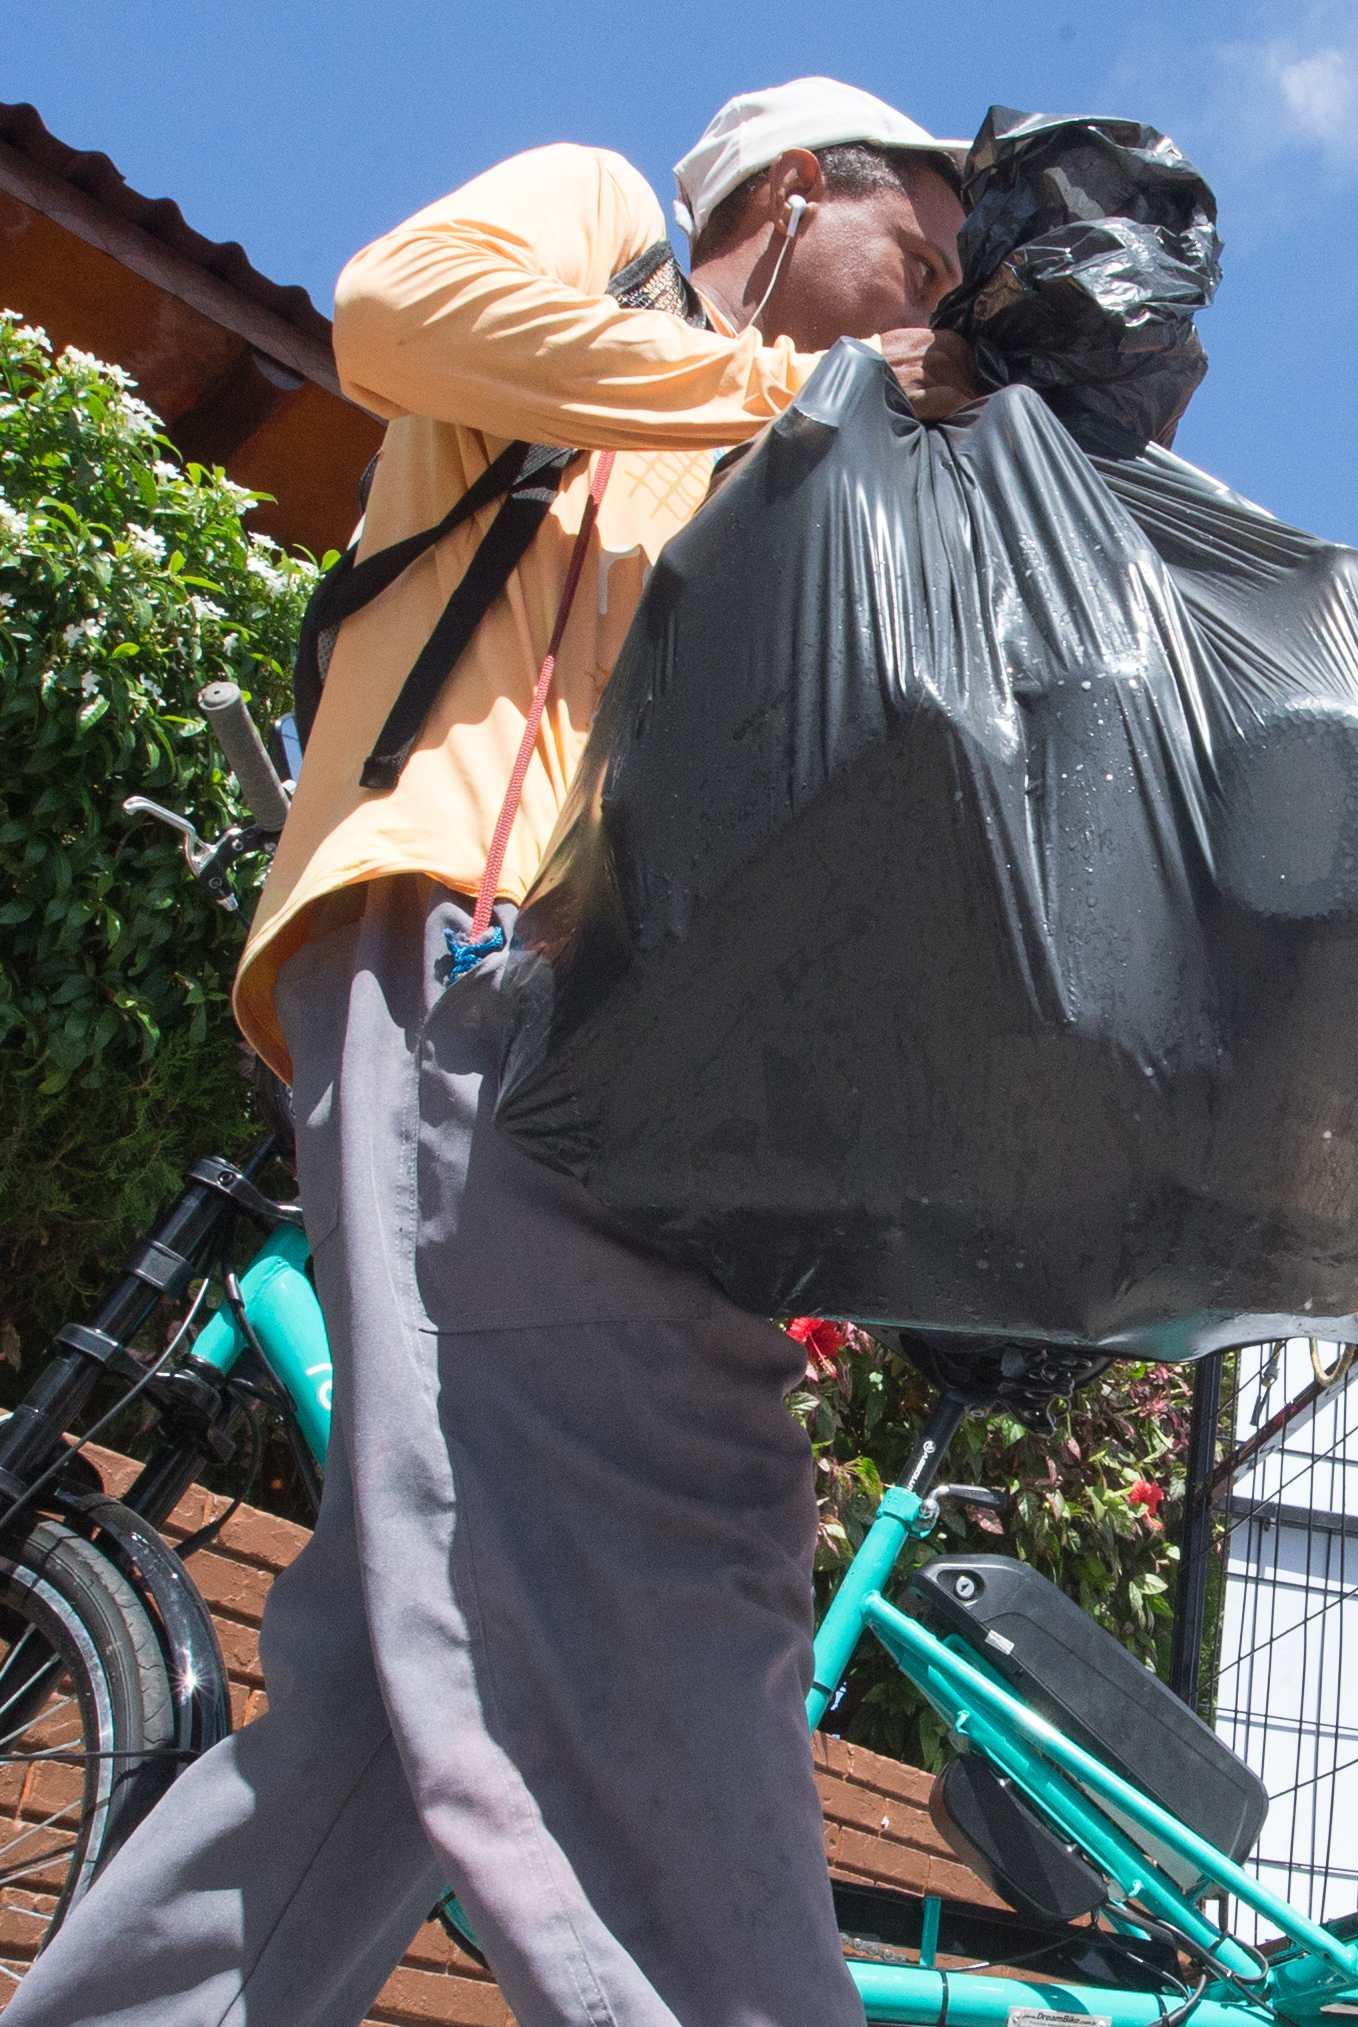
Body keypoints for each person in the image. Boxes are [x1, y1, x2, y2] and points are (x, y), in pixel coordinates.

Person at [13, 78, 978, 2027]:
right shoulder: (608, 226)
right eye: (924, 258)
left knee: (398, 1682)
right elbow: (400, 311)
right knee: (653, 1555)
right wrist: (777, 401)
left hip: (634, 1048)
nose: (935, 306)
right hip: (478, 935)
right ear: (797, 194)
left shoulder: (808, 475)